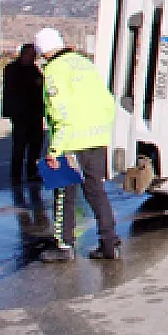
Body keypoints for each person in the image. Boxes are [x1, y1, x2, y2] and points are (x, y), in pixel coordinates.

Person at [33, 27, 122, 262]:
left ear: (42, 50)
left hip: (72, 140)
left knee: (64, 194)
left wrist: (55, 149)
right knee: (96, 191)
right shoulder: (84, 63)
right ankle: (110, 242)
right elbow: (107, 101)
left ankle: (64, 245)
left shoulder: (54, 70)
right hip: (97, 136)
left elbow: (60, 111)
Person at [2, 43, 45, 183]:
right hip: (20, 114)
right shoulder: (12, 69)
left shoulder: (34, 69)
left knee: (35, 145)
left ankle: (32, 172)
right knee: (19, 146)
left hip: (35, 113)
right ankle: (16, 175)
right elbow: (14, 90)